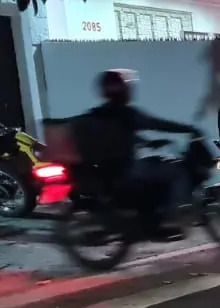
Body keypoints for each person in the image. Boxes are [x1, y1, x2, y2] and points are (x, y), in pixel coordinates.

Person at [73, 69, 201, 229]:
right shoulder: (128, 114)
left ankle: (151, 214)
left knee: (155, 164)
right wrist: (188, 129)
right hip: (127, 170)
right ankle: (171, 216)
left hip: (108, 171)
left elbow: (118, 139)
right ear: (122, 90)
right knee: (176, 171)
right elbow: (159, 124)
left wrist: (147, 142)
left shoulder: (99, 115)